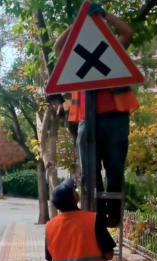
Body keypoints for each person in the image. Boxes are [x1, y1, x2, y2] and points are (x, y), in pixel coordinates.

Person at [54, 3, 139, 227]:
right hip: (86, 121)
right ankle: (95, 214)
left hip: (115, 118)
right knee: (90, 175)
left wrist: (105, 16)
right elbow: (57, 46)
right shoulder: (77, 58)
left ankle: (114, 214)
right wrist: (79, 21)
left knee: (114, 171)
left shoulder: (113, 52)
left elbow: (128, 32)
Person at [45, 179, 116, 261]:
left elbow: (50, 259)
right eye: (74, 190)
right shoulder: (93, 220)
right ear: (75, 199)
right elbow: (109, 255)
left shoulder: (49, 226)